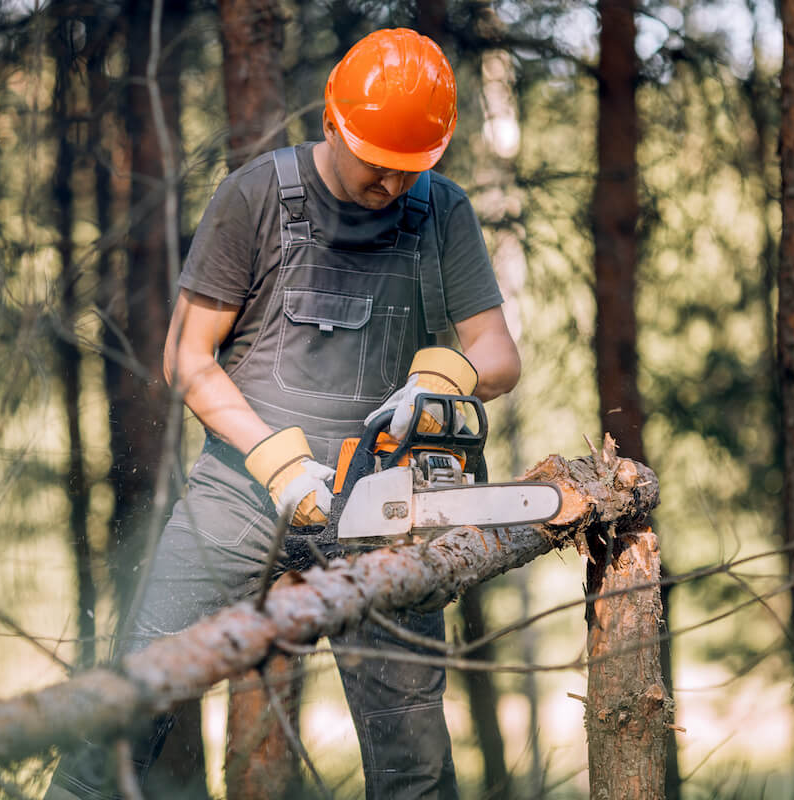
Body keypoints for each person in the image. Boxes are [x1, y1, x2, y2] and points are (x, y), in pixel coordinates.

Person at [48, 27, 520, 800]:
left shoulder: (441, 211)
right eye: (379, 165)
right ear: (334, 123)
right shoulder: (258, 197)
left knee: (416, 760)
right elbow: (187, 357)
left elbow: (500, 351)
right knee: (132, 701)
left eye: (410, 170)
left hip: (378, 507)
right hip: (241, 489)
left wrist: (446, 376)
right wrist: (277, 461)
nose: (393, 186)